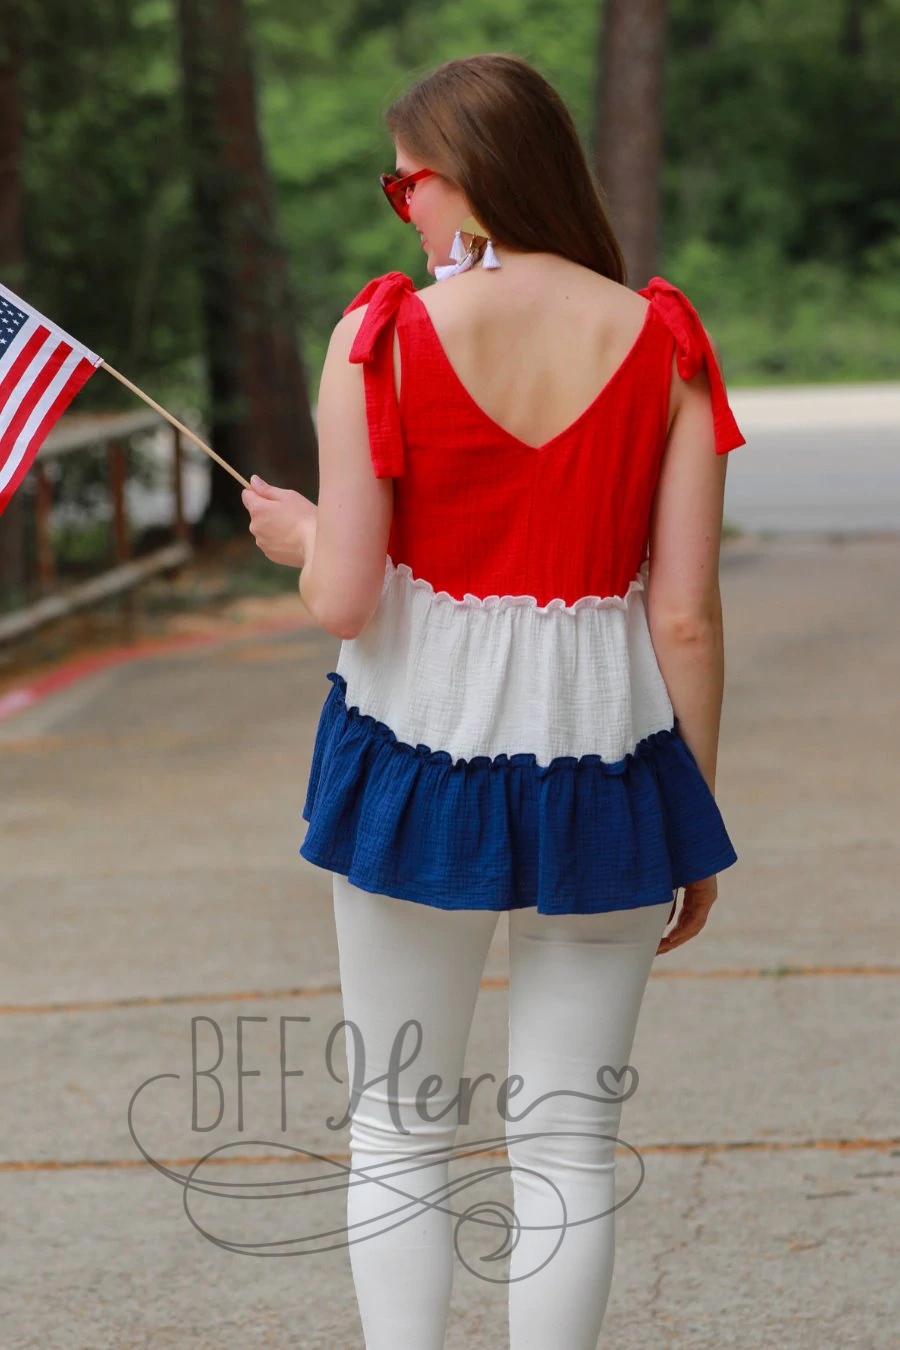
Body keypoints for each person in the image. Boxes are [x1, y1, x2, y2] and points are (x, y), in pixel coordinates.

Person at [242, 51, 746, 1350]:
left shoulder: (384, 337)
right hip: (608, 760)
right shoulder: (668, 341)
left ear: (460, 181)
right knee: (570, 1138)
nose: (400, 207)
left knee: (399, 1122)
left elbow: (346, 597)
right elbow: (684, 614)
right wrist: (688, 816)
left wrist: (301, 536)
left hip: (419, 751)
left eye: (402, 182)